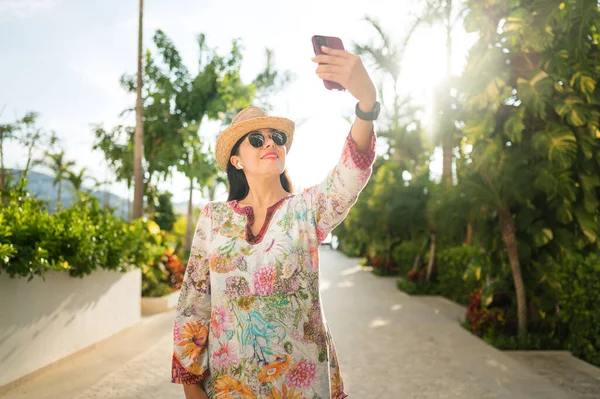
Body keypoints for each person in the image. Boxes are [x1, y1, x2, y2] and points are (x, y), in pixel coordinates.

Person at [171, 44, 380, 399]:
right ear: (236, 160)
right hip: (230, 389)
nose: (270, 142)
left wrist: (366, 105)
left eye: (276, 138)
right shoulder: (213, 219)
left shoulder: (307, 210)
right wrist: (193, 390)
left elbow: (350, 174)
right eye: (256, 139)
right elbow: (194, 306)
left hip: (304, 386)